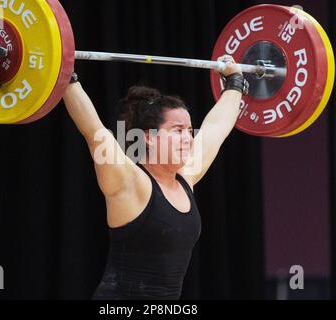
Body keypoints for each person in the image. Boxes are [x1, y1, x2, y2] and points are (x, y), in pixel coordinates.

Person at [63, 55, 248, 300]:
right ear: (148, 137)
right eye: (177, 130)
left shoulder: (186, 178)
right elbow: (92, 128)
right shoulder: (129, 181)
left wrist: (235, 83)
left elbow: (216, 129)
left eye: (189, 130)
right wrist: (66, 75)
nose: (187, 138)